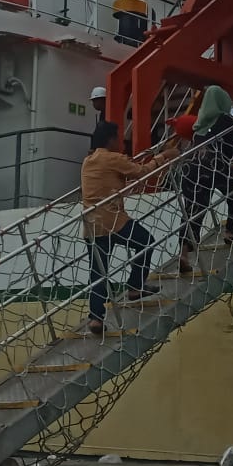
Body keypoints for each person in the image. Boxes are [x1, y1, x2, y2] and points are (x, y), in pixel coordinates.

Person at [81, 122, 179, 333]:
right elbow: (141, 171)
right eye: (118, 136)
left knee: (98, 272)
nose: (121, 141)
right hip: (113, 220)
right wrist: (164, 155)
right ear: (110, 139)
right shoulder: (112, 159)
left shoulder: (88, 161)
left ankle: (95, 318)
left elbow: (119, 171)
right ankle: (135, 286)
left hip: (91, 225)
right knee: (146, 241)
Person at [175, 86, 233, 273]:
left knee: (193, 211)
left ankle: (183, 253)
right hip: (214, 167)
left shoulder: (199, 123)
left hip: (190, 170)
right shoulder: (225, 120)